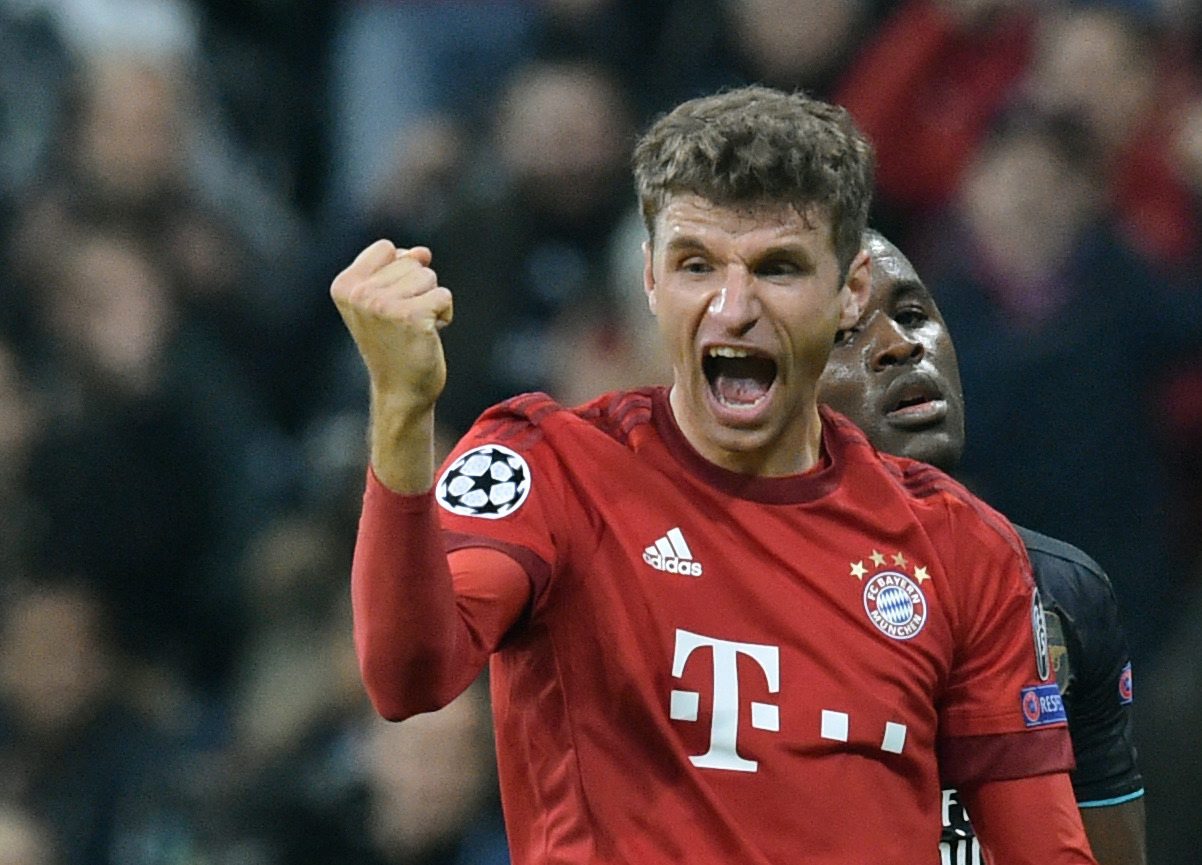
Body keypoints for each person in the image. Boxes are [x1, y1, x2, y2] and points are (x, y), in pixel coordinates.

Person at [331, 85, 1097, 863]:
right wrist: (400, 411)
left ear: (852, 292)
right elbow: (408, 675)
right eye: (696, 264)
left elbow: (1043, 847)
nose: (734, 307)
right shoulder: (550, 469)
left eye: (780, 267)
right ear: (650, 279)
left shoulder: (958, 547)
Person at [818, 229, 1146, 865]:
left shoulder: (1062, 591)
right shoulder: (703, 581)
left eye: (914, 315)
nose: (899, 345)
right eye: (842, 335)